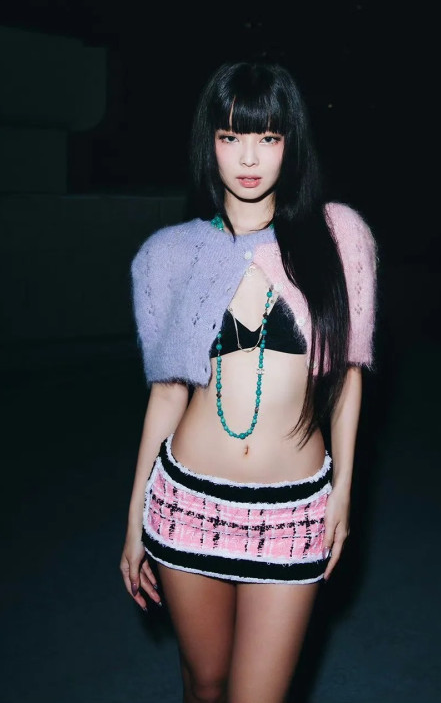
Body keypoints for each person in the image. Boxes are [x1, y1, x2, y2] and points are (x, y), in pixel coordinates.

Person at [120, 60, 377, 703]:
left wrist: (343, 493)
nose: (249, 157)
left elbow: (348, 377)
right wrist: (135, 518)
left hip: (292, 509)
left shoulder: (339, 236)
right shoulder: (168, 254)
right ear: (209, 143)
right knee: (204, 685)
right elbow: (167, 393)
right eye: (231, 136)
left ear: (292, 143)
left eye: (268, 136)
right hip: (186, 503)